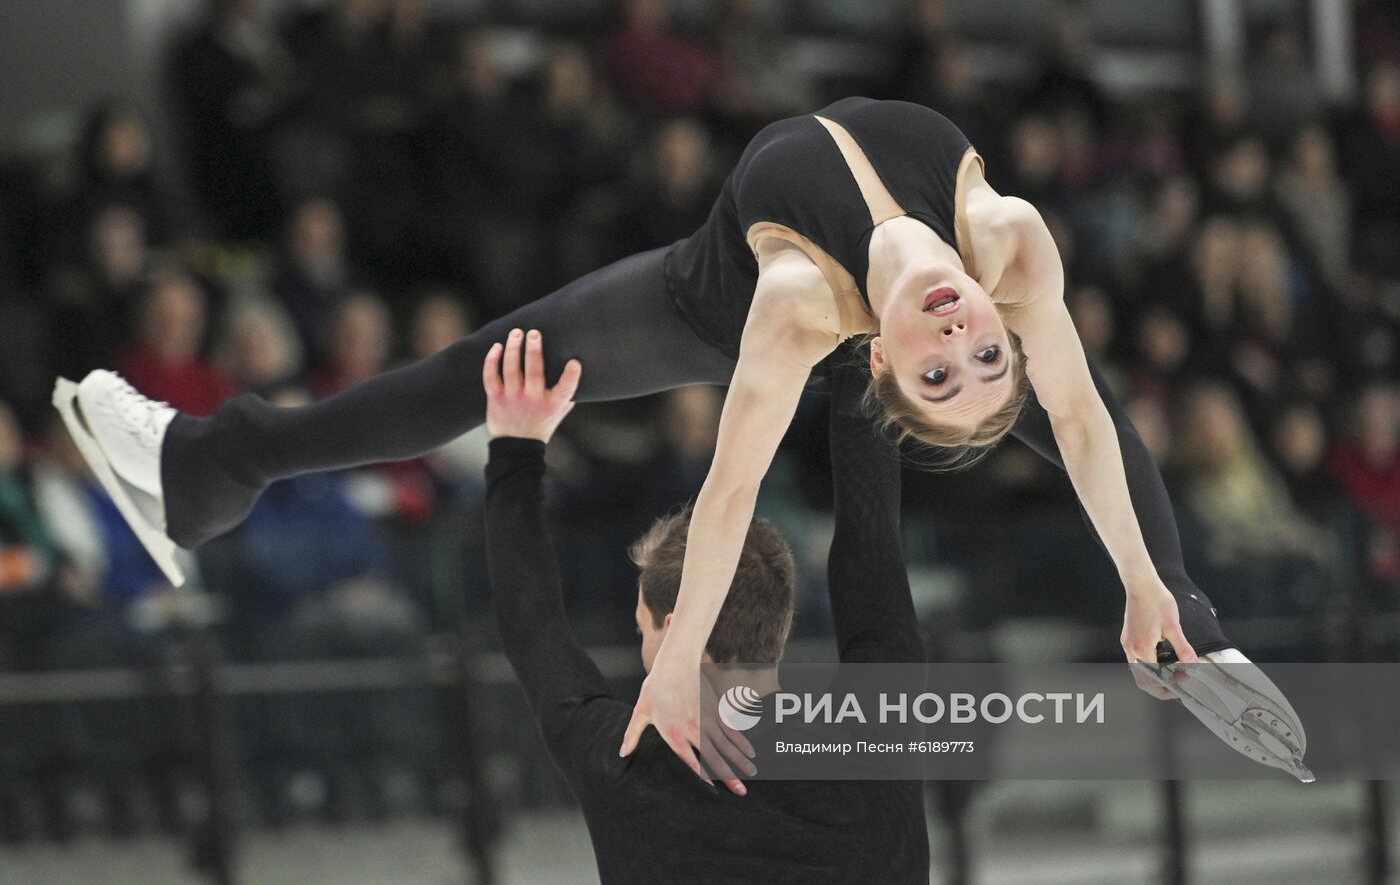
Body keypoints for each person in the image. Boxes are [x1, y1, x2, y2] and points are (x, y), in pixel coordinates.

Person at [62, 96, 1270, 780]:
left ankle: (207, 461)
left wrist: (679, 659)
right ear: (1003, 323)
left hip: (702, 301)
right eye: (984, 355)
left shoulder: (799, 309)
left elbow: (730, 490)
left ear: (881, 361)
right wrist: (1151, 585)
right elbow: (1079, 415)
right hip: (790, 259)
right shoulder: (1009, 243)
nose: (959, 340)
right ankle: (205, 474)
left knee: (481, 375)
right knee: (1070, 408)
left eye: (936, 373)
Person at [480, 332, 928, 883]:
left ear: (675, 631)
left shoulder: (626, 760)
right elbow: (872, 546)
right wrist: (859, 345)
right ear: (778, 621)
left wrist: (516, 448)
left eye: (642, 630)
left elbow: (533, 626)